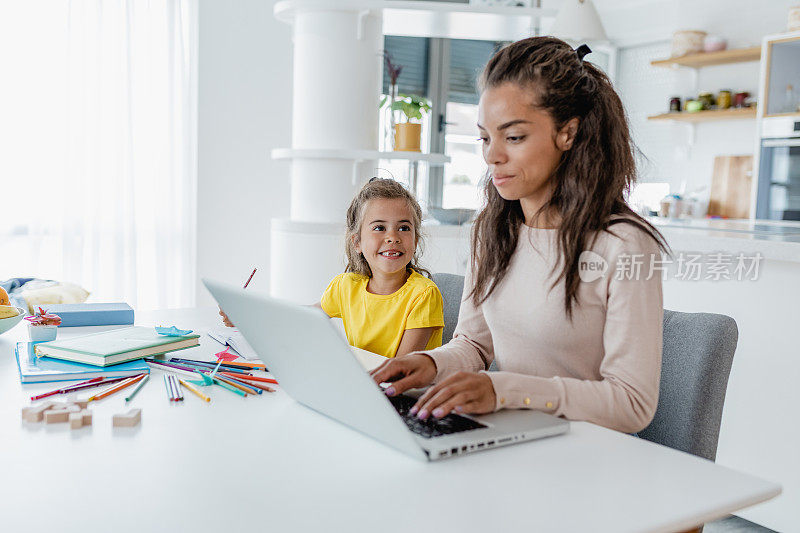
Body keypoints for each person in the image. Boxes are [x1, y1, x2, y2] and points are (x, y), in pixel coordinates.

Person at [370, 37, 669, 434]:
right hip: (512, 433)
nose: (492, 155)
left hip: (589, 451)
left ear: (568, 133)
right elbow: (474, 346)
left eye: (513, 137)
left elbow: (632, 405)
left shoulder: (624, 245)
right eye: (485, 137)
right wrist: (431, 364)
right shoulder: (491, 230)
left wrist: (505, 390)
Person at [314, 178, 444, 358]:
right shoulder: (345, 286)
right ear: (357, 242)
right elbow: (304, 318)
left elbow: (400, 368)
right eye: (379, 227)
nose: (392, 237)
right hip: (363, 379)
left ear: (415, 240)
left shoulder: (424, 294)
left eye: (404, 228)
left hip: (400, 384)